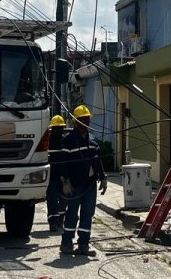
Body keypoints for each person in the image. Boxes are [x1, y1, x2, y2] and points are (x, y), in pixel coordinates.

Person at [57, 105, 106, 257]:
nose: (85, 122)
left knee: (87, 214)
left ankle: (83, 245)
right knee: (72, 213)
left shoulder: (92, 140)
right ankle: (66, 243)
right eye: (82, 119)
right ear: (75, 121)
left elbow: (97, 160)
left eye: (87, 119)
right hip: (74, 185)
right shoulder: (68, 140)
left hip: (90, 184)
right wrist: (65, 182)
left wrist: (103, 177)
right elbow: (62, 163)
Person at [45, 114, 68, 232]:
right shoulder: (48, 142)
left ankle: (60, 220)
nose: (59, 130)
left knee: (64, 200)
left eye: (61, 128)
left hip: (64, 177)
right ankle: (53, 222)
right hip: (52, 177)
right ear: (52, 129)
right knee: (52, 201)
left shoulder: (65, 141)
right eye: (57, 128)